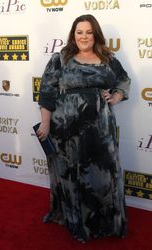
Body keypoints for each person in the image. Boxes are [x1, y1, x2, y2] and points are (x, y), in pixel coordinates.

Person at [37, 14, 131, 242]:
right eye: (79, 32)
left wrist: (116, 96)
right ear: (73, 35)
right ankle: (76, 221)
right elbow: (47, 92)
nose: (84, 37)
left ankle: (105, 222)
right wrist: (45, 122)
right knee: (72, 174)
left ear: (95, 34)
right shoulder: (60, 59)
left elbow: (123, 79)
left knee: (103, 176)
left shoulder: (108, 58)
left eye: (89, 32)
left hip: (101, 129)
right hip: (67, 129)